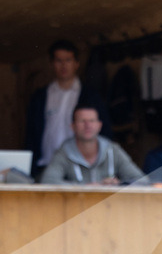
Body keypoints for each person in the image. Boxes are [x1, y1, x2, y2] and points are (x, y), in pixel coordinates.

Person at [25, 39, 112, 177]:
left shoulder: (91, 95)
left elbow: (104, 131)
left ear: (77, 64)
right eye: (59, 60)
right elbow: (31, 134)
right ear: (52, 64)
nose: (63, 65)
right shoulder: (40, 96)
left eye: (68, 60)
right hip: (46, 164)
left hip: (81, 166)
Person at [39, 105, 145, 185]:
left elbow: (142, 181)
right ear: (73, 126)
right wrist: (85, 188)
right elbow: (47, 181)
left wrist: (118, 185)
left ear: (99, 126)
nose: (88, 125)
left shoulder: (113, 150)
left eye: (92, 121)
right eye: (82, 121)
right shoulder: (65, 152)